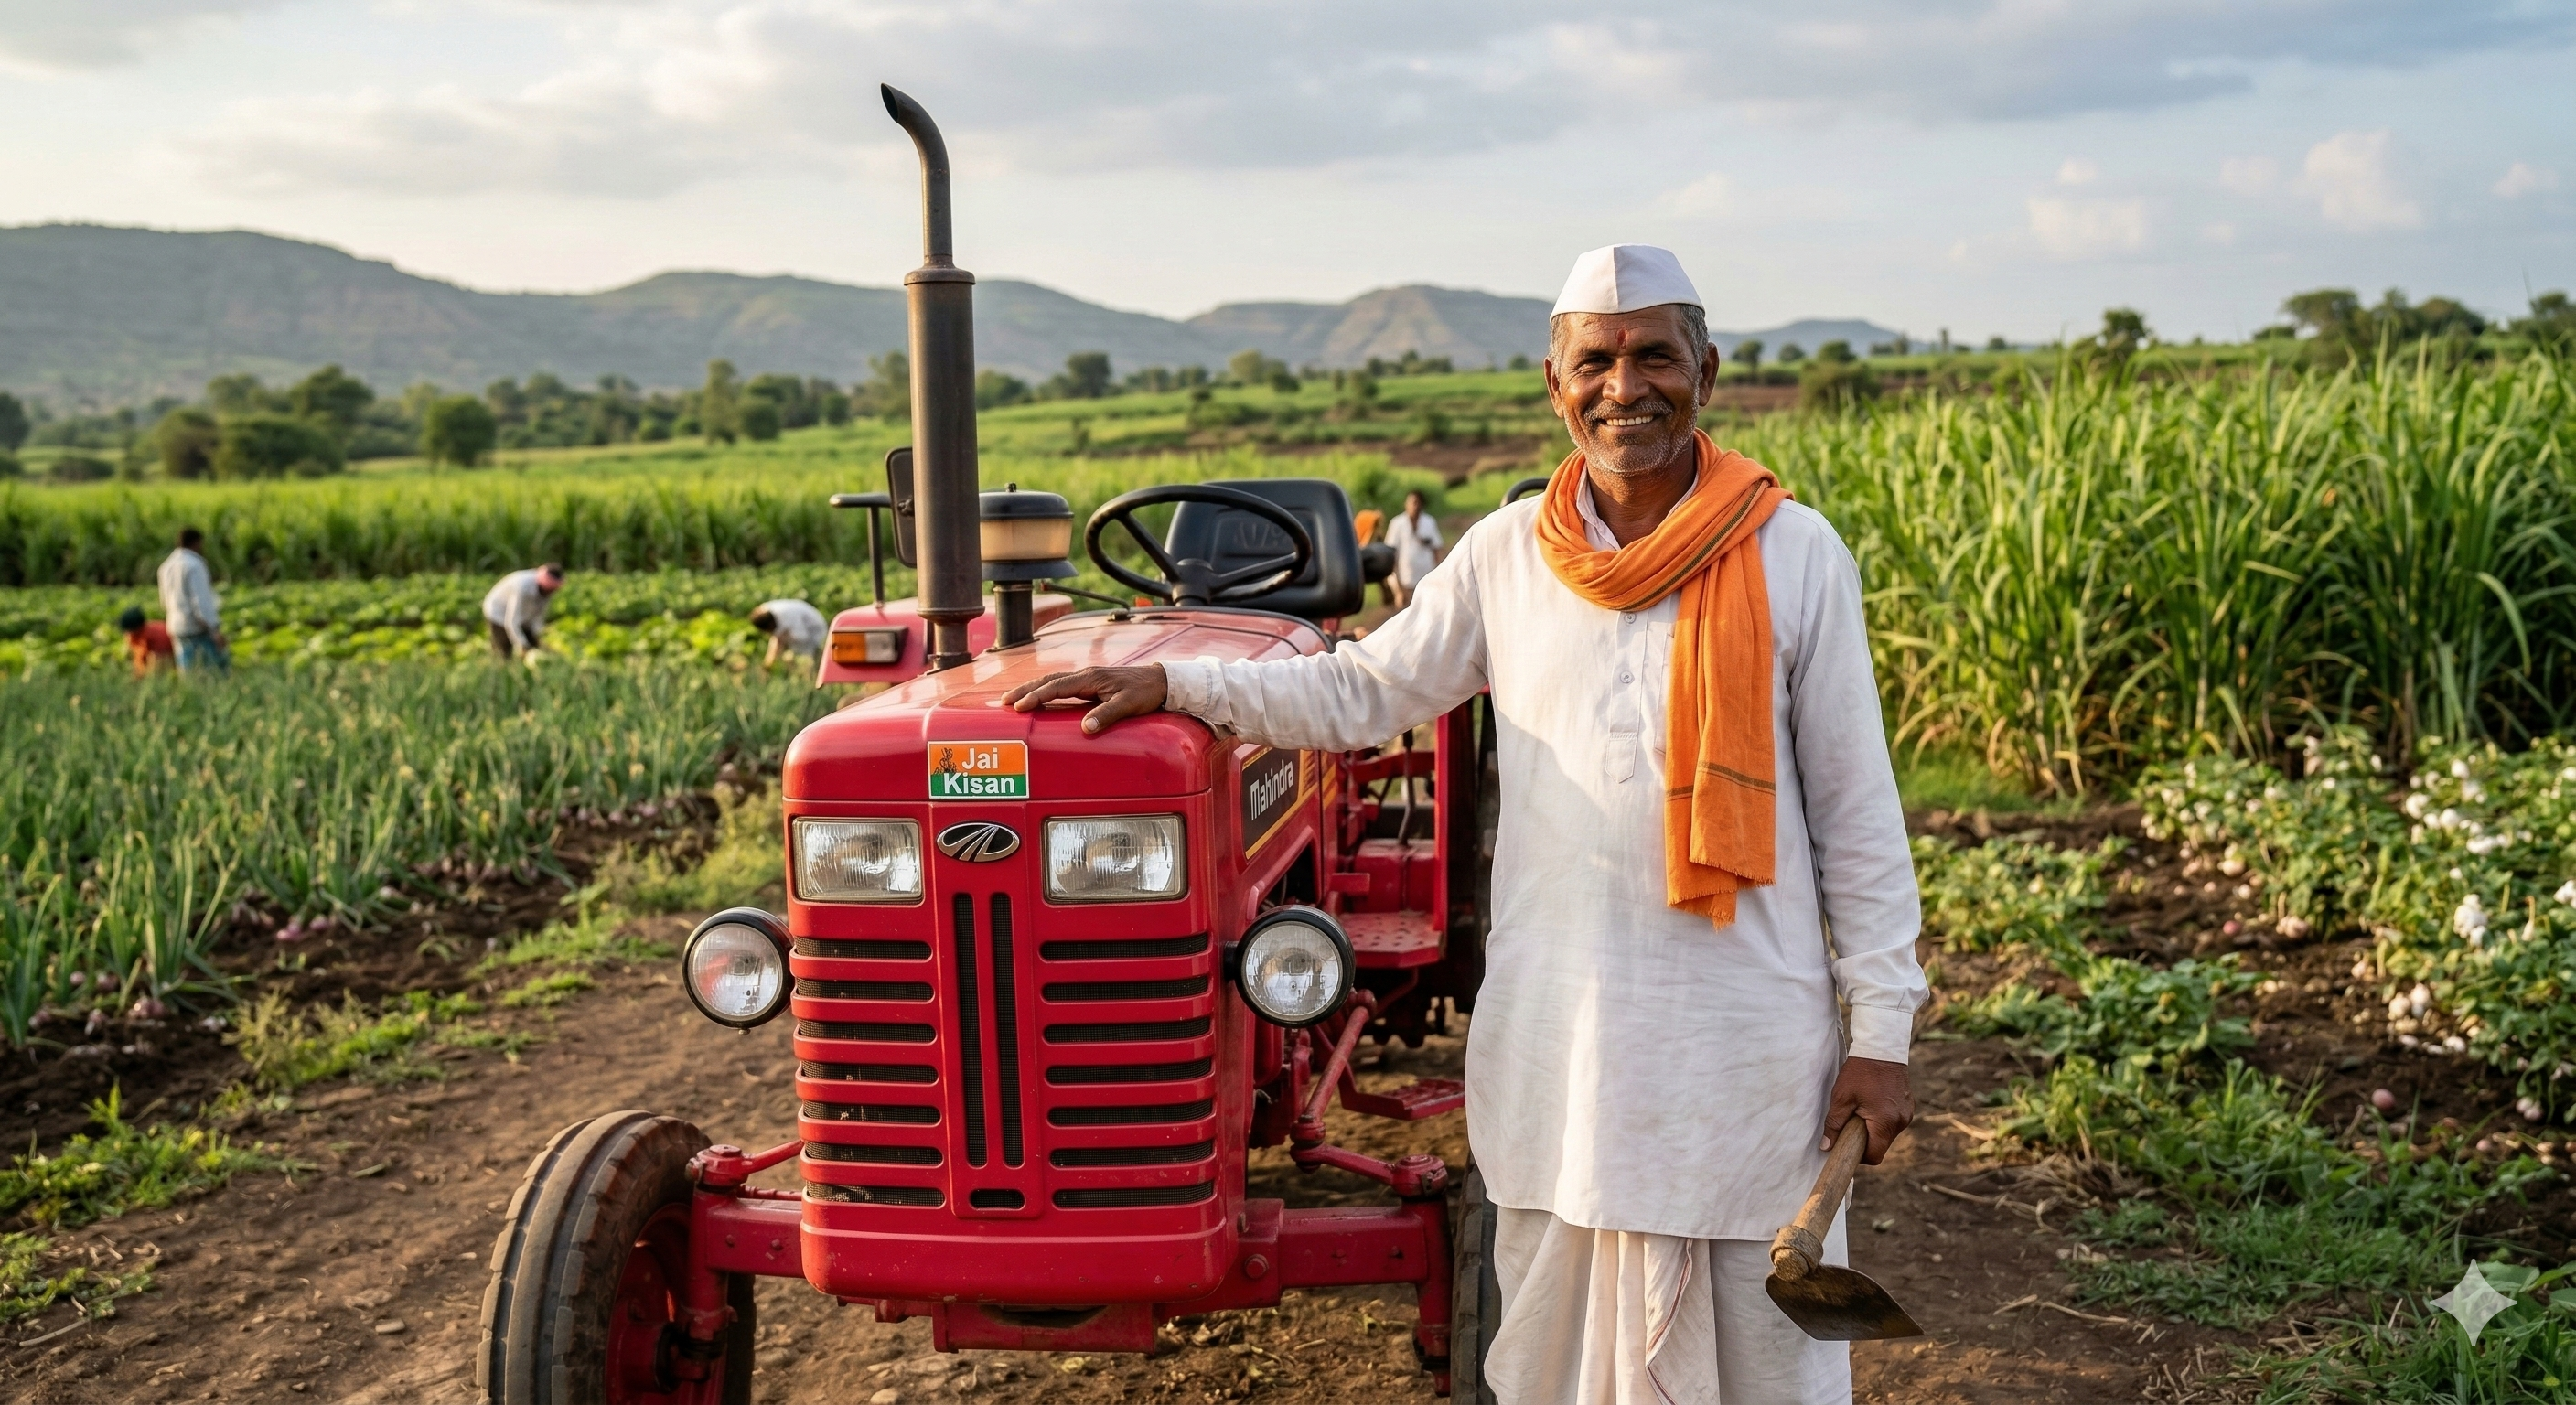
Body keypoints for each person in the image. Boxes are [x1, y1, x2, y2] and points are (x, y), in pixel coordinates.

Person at [1006, 243, 1925, 1405]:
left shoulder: (1794, 553)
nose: (1624, 387)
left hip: (1742, 1049)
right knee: (1553, 1352)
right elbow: (1361, 690)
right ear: (1554, 383)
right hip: (1560, 1042)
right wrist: (1181, 683)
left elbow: (1856, 815)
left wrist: (1880, 1031)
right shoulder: (1504, 556)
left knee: (1766, 1363)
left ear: (1706, 371)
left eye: (1653, 356)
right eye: (1594, 361)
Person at [156, 526, 230, 674]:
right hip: (197, 627)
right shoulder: (194, 565)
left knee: (188, 672)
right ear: (197, 543)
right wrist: (214, 630)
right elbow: (201, 602)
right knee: (213, 672)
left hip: (176, 626)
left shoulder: (166, 567)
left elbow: (164, 601)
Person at [484, 563, 564, 660]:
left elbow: (539, 616)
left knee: (533, 643)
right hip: (498, 612)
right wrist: (522, 644)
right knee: (504, 649)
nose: (550, 594)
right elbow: (512, 621)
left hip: (523, 614)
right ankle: (501, 665)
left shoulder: (546, 591)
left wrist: (535, 635)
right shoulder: (522, 587)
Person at [1383, 489, 1444, 609]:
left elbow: (1437, 549)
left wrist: (1439, 577)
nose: (1414, 506)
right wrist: (1398, 587)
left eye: (1417, 502)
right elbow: (1391, 554)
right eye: (1411, 502)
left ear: (1422, 505)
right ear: (1406, 504)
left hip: (1426, 579)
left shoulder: (1429, 522)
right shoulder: (1397, 524)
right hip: (1405, 581)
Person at [750, 598, 828, 670]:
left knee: (801, 660)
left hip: (813, 632)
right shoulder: (765, 613)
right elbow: (776, 638)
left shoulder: (788, 616)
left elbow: (801, 636)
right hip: (800, 630)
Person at [118, 606, 173, 677]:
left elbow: (141, 657)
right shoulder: (149, 627)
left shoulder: (145, 636)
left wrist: (138, 675)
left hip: (166, 653)